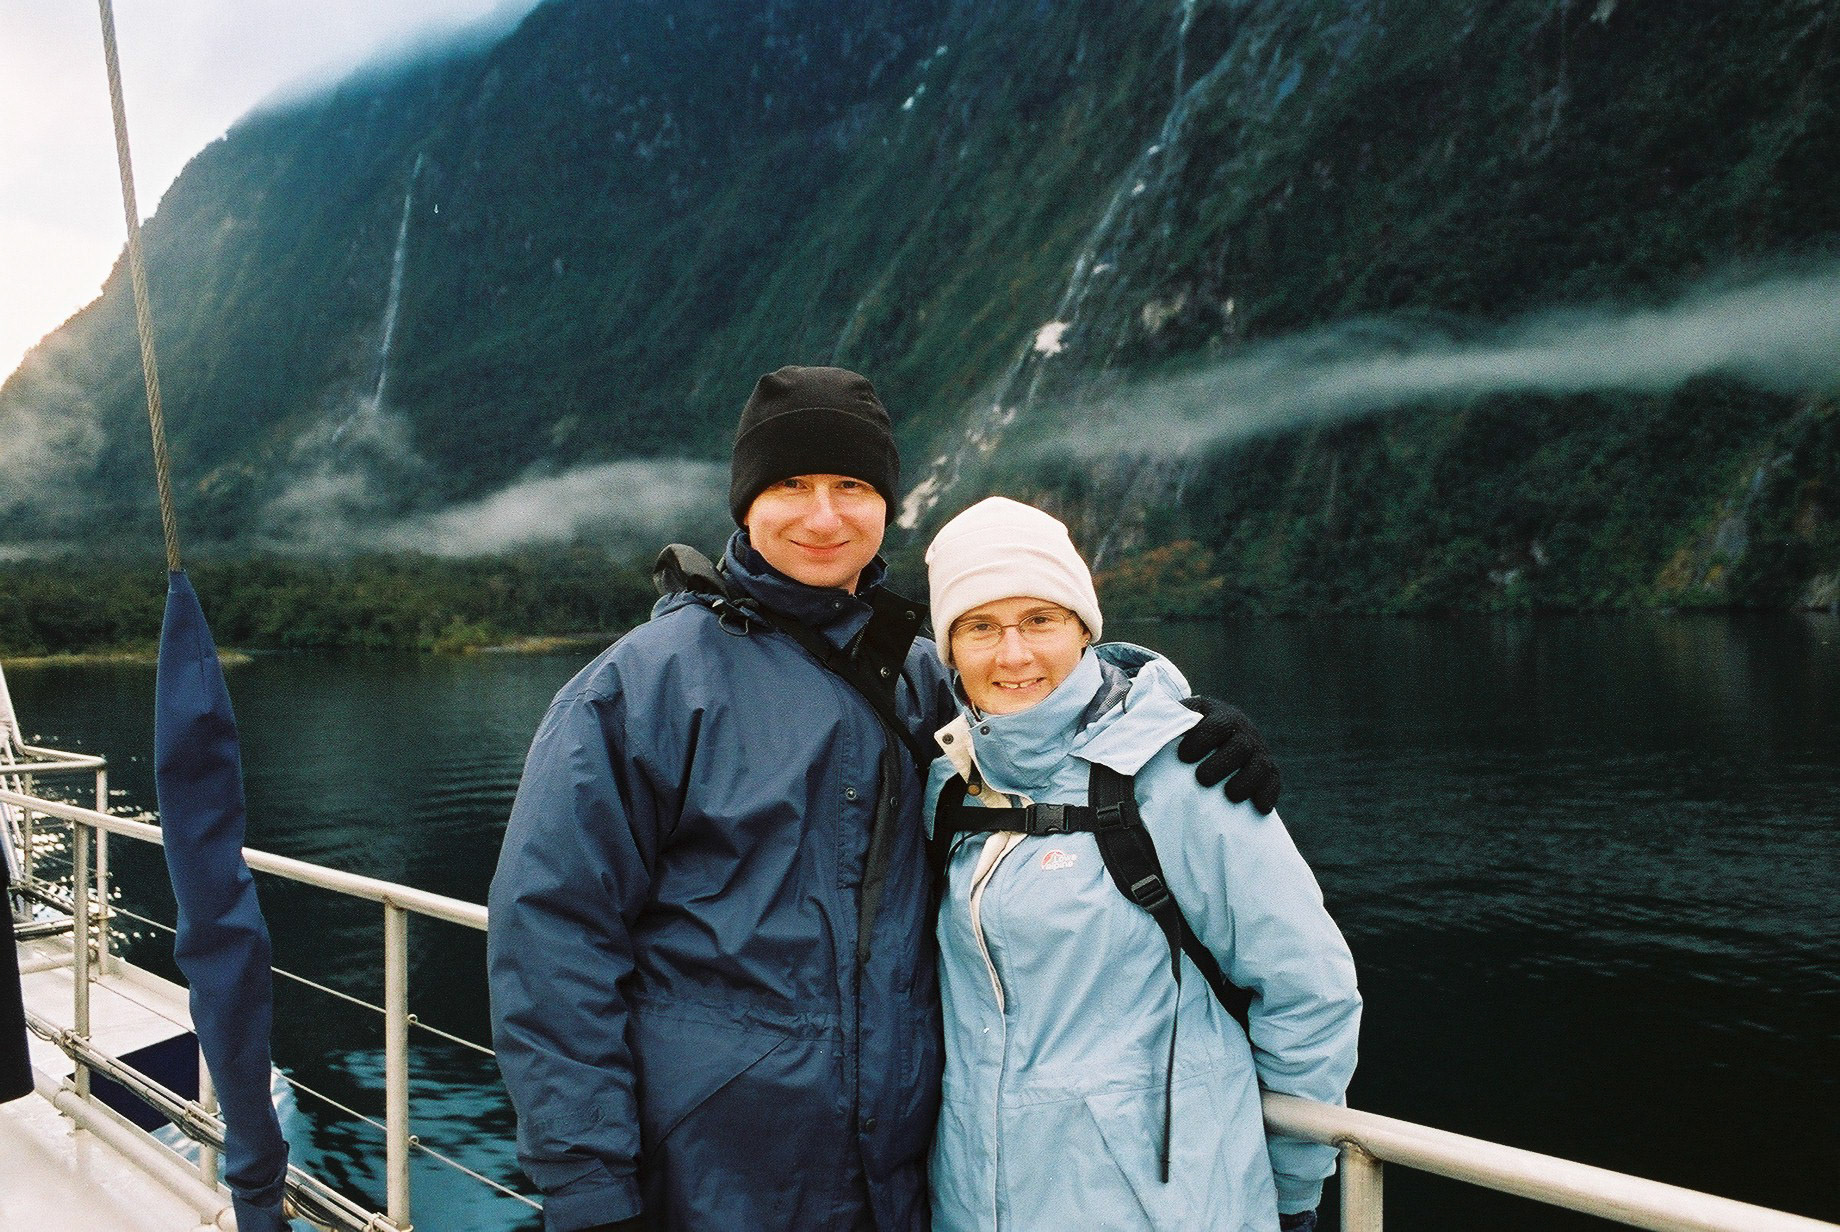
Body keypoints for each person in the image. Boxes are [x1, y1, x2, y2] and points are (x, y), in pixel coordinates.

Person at [488, 366, 1285, 1232]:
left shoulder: (918, 675)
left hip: (901, 1176)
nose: (823, 516)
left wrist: (1169, 709)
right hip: (709, 1174)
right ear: (745, 503)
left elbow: (1041, 693)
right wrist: (590, 1186)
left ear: (886, 505)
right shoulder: (640, 690)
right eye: (791, 484)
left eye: (852, 486)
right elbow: (554, 937)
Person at [922, 496, 1361, 1232]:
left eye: (1041, 619)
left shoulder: (1185, 772)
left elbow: (1310, 990)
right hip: (977, 1206)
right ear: (949, 649)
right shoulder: (946, 786)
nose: (1014, 654)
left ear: (1086, 629)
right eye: (980, 627)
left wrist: (1289, 1193)